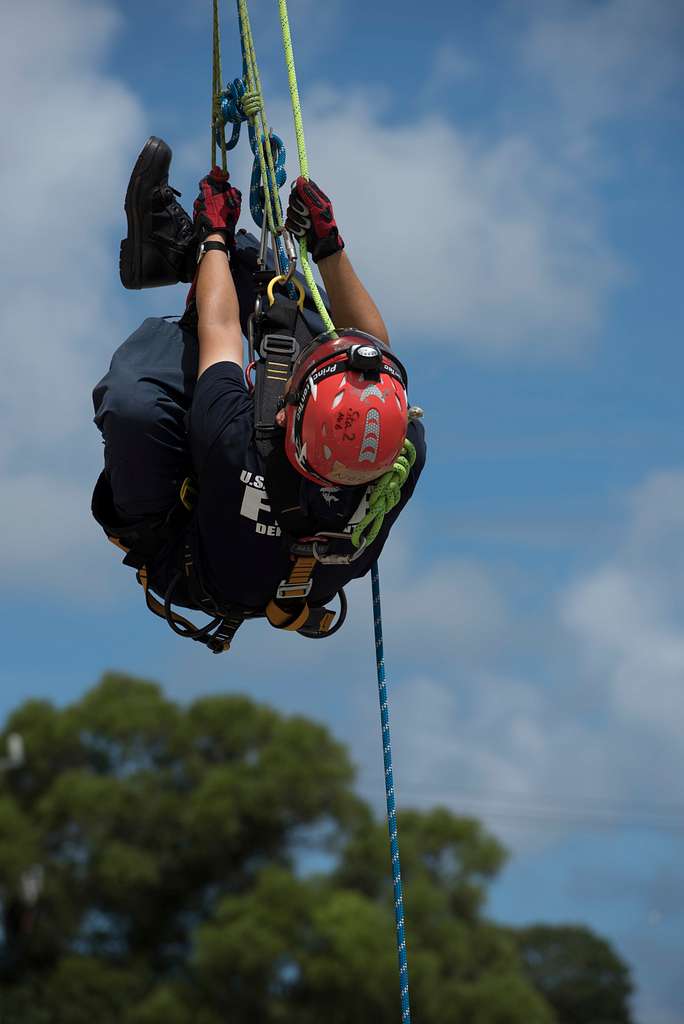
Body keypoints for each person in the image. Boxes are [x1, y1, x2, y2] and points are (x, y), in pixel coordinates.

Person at [92, 137, 426, 651]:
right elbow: (372, 347)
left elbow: (220, 328)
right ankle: (169, 252)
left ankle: (181, 247)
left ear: (287, 414)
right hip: (286, 564)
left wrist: (215, 236)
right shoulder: (395, 452)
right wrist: (329, 248)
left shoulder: (233, 440)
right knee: (288, 303)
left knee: (138, 396)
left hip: (185, 547)